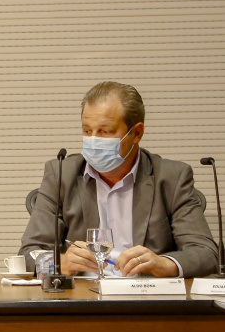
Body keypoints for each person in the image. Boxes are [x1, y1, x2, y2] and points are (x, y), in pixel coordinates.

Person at [20, 81, 217, 278]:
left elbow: (205, 253)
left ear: (137, 133)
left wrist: (165, 264)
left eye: (106, 131)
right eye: (87, 131)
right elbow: (29, 252)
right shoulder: (61, 174)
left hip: (146, 298)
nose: (94, 141)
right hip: (81, 299)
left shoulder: (171, 178)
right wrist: (59, 263)